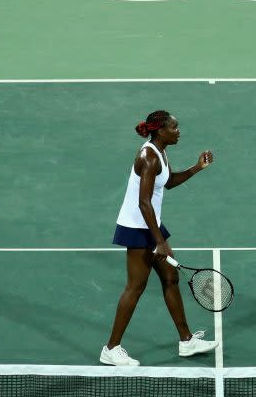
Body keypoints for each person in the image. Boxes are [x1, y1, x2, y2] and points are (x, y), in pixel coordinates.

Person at [100, 110, 218, 366]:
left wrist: (198, 167)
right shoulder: (148, 157)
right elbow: (143, 202)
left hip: (150, 224)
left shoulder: (161, 152)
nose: (178, 131)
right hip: (138, 227)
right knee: (135, 287)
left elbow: (168, 182)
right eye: (174, 127)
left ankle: (187, 341)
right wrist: (159, 241)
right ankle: (111, 348)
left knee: (170, 277)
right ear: (160, 130)